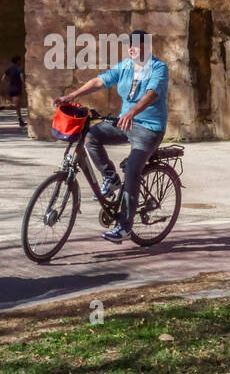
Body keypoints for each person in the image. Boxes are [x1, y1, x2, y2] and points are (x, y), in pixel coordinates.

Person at [55, 29, 168, 242]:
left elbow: (152, 93)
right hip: (125, 123)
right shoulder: (125, 66)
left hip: (149, 128)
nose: (132, 48)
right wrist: (72, 95)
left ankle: (125, 227)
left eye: (137, 45)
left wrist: (133, 112)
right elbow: (101, 80)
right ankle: (111, 178)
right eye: (130, 45)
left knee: (134, 170)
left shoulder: (159, 68)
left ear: (148, 47)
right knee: (90, 135)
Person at [0, 56, 26, 127]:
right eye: (20, 60)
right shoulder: (20, 68)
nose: (20, 62)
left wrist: (10, 82)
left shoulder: (9, 69)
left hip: (11, 88)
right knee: (17, 106)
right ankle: (0, 108)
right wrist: (25, 85)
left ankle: (20, 121)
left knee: (18, 105)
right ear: (17, 61)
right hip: (17, 88)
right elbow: (22, 78)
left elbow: (3, 78)